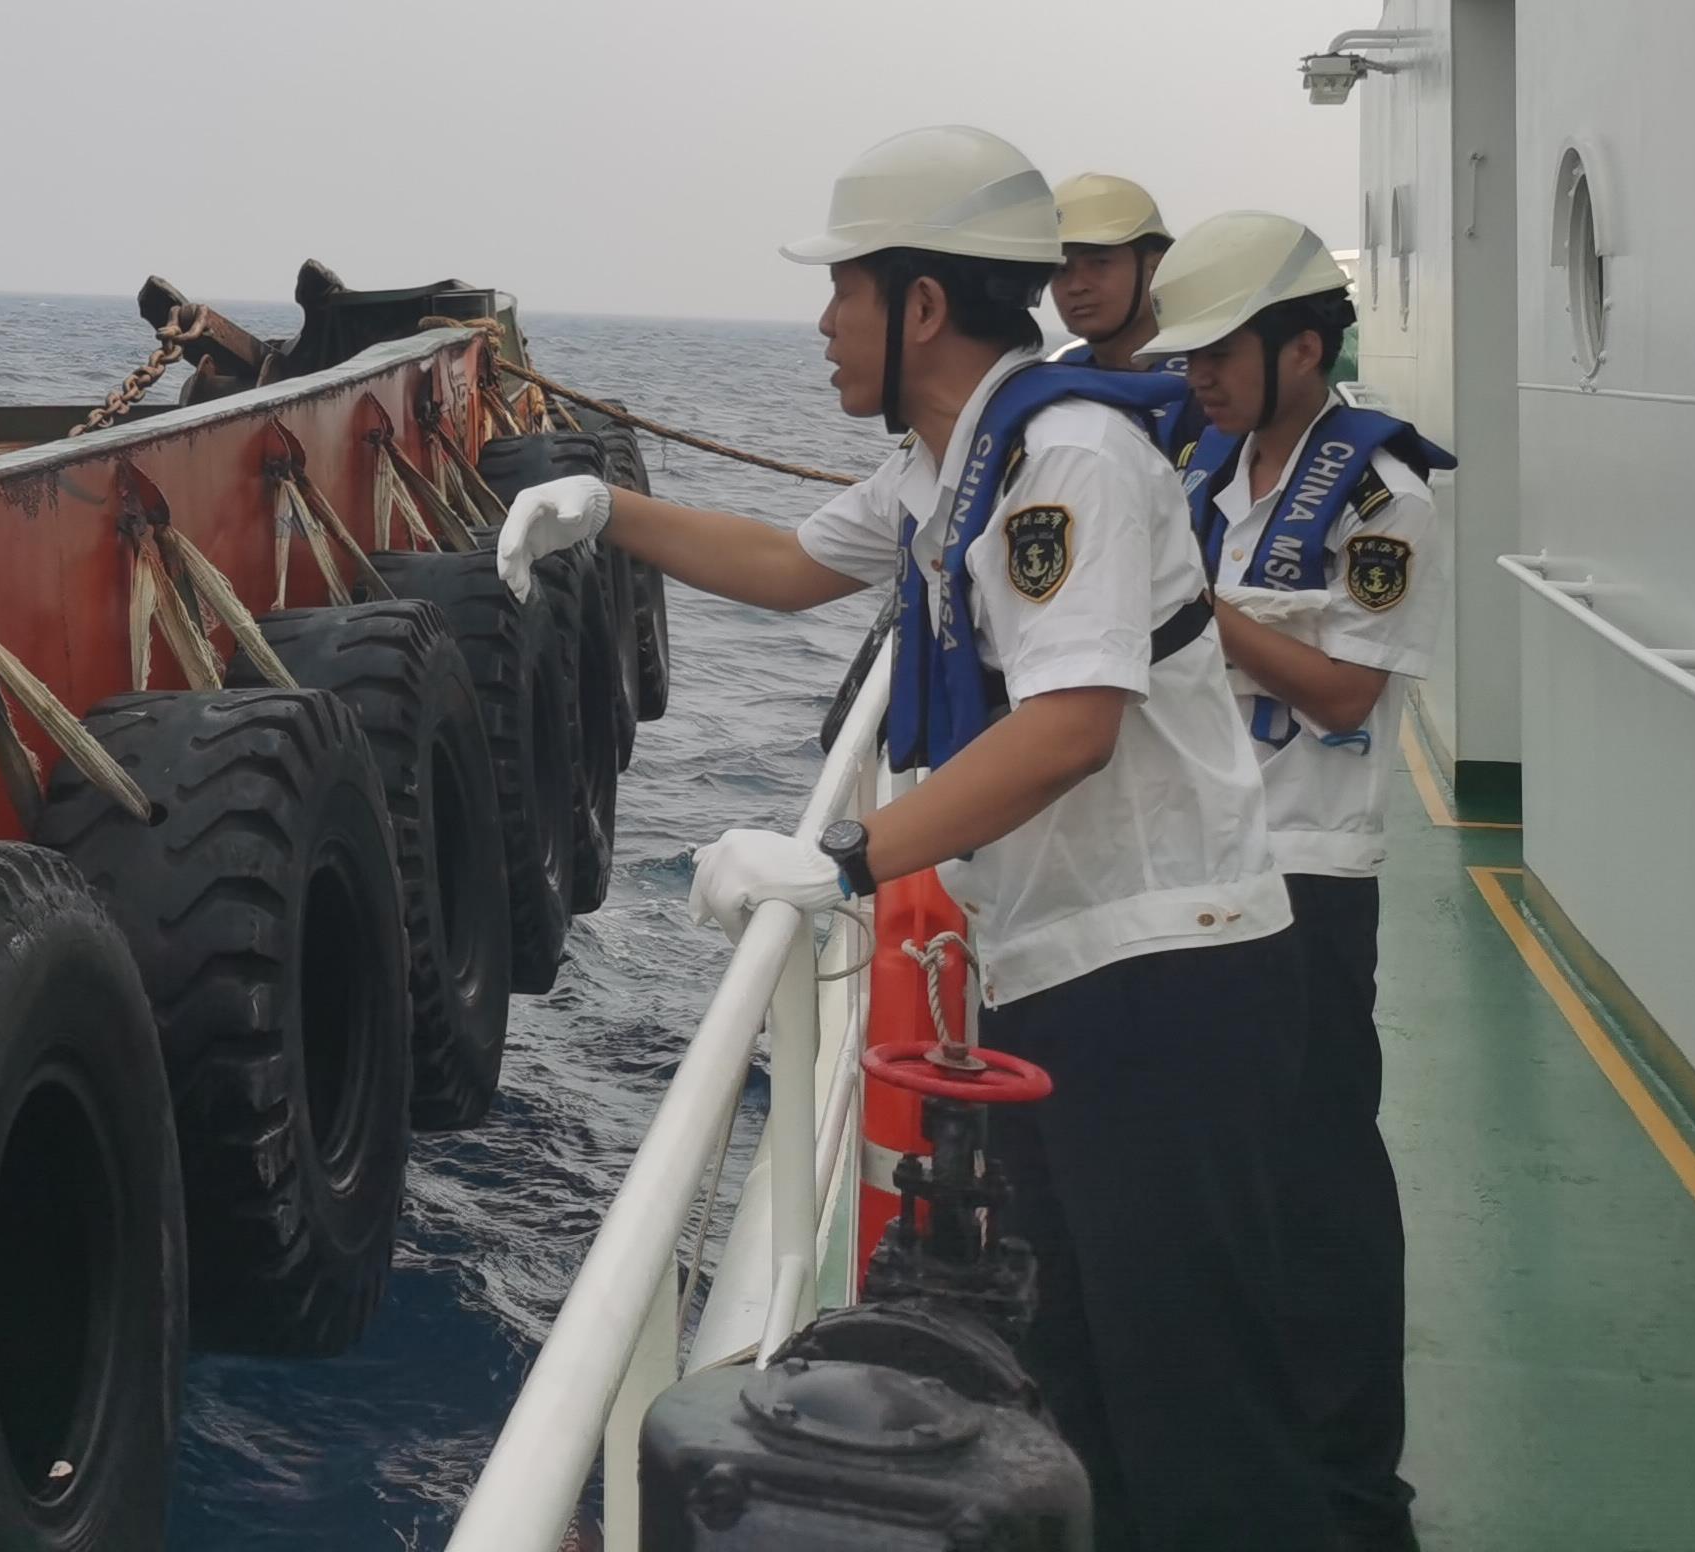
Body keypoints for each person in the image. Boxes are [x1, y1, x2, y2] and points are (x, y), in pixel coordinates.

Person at [499, 126, 1327, 1552]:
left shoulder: (1065, 461)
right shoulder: (952, 463)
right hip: (1069, 966)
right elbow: (785, 566)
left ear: (923, 305)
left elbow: (1071, 726)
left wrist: (842, 863)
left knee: (1200, 1416)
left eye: (846, 289)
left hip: (1166, 979)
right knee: (1088, 1384)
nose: (824, 322)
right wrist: (606, 510)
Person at [1157, 211, 1449, 1552]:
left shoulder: (1384, 498)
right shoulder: (1211, 477)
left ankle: (1353, 1488)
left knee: (1323, 1185)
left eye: (1223, 352)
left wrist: (1197, 612)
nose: (1200, 377)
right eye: (1193, 355)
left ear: (1304, 349)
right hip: (1207, 868)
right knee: (1224, 1177)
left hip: (1312, 880)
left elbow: (1342, 694)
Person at [1048, 171, 1177, 371]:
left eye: (1099, 263)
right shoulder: (1056, 373)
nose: (1076, 286)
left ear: (1157, 266)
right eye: (1061, 270)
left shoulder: (1206, 379)